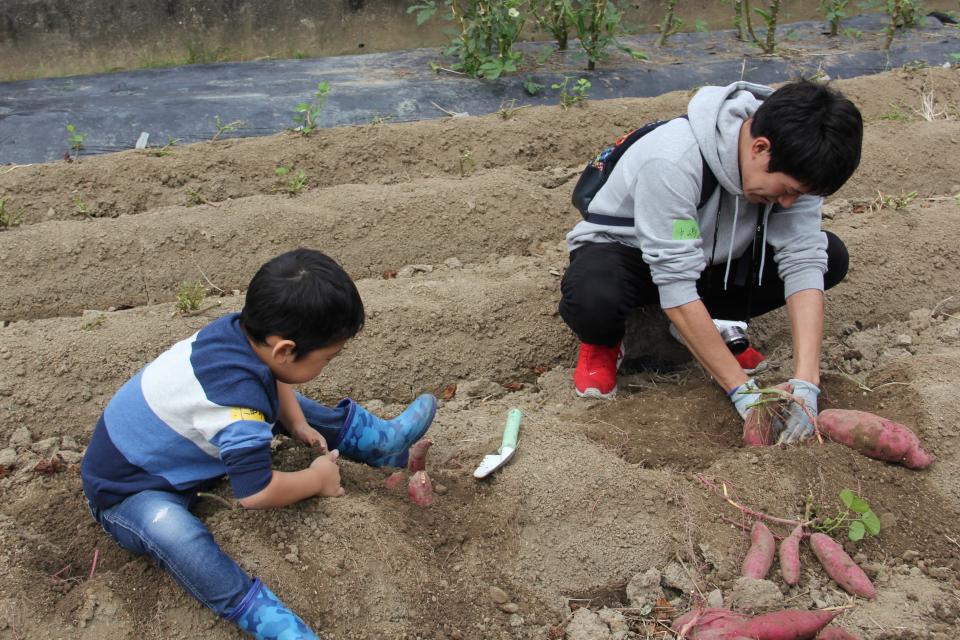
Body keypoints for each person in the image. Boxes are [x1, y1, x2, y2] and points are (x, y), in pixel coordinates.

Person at [80, 248, 436, 640]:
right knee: (178, 536)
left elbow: (275, 377)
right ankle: (261, 617)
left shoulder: (241, 336)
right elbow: (257, 492)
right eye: (329, 358)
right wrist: (316, 479)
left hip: (180, 440)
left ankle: (379, 444)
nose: (328, 365)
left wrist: (296, 423)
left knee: (291, 406)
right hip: (128, 491)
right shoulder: (235, 407)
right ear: (284, 349)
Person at [559, 80, 863, 444]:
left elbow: (802, 258)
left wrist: (806, 382)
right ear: (760, 148)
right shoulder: (672, 159)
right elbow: (675, 282)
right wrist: (744, 394)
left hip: (710, 254)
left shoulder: (799, 162)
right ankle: (604, 342)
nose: (788, 204)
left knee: (829, 257)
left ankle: (713, 323)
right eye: (787, 191)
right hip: (630, 253)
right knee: (594, 296)